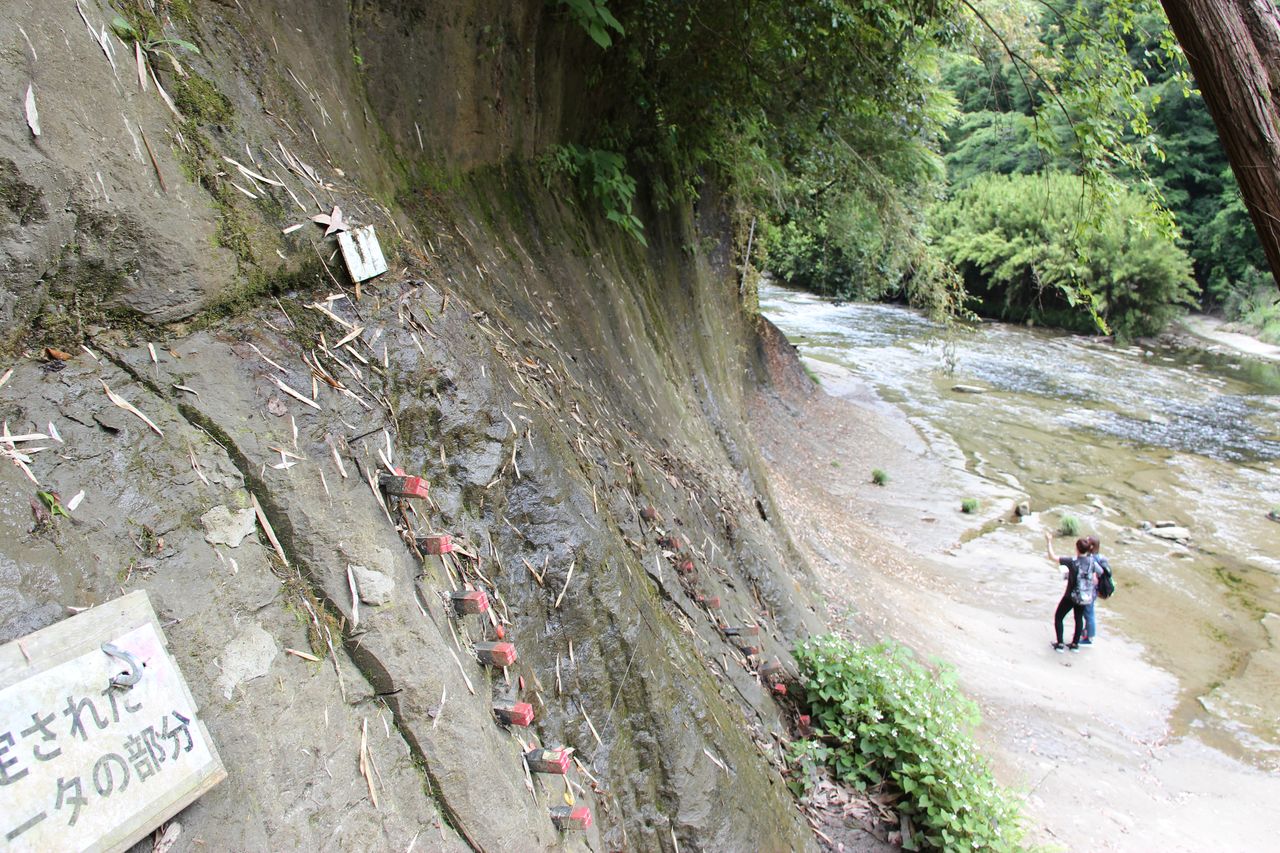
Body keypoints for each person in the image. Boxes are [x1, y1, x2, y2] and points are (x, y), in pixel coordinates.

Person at [1044, 531, 1103, 652]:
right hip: (1084, 596)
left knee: (1059, 617)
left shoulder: (1072, 561)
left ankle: (1060, 644)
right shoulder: (1092, 562)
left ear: (1077, 548)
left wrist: (1049, 541)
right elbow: (1100, 572)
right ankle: (1075, 645)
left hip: (1070, 596)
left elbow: (1052, 556)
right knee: (1078, 619)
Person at [1082, 536, 1111, 645]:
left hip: (1090, 591)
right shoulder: (1101, 557)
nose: (1085, 542)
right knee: (1088, 612)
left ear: (1092, 546)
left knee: (1089, 613)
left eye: (1087, 541)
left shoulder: (1092, 559)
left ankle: (1089, 638)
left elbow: (1098, 573)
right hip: (1093, 591)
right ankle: (1086, 633)